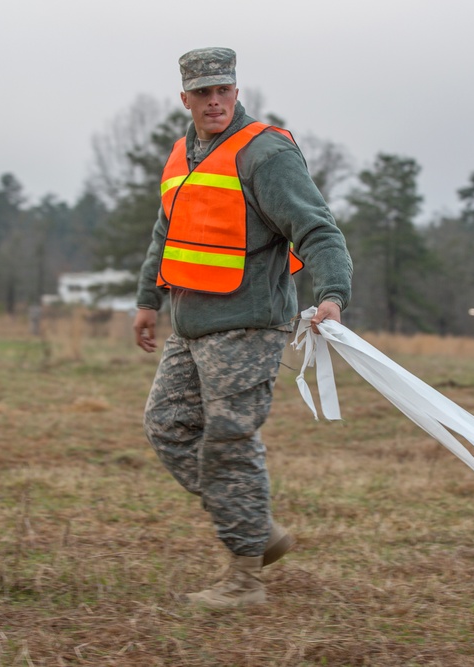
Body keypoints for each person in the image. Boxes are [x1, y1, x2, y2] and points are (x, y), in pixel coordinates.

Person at [131, 47, 352, 608]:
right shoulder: (182, 153)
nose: (214, 101)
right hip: (190, 322)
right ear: (185, 99)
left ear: (236, 90)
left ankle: (245, 579)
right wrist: (147, 299)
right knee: (166, 427)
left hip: (250, 323)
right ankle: (254, 526)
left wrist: (332, 295)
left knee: (229, 441)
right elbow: (164, 232)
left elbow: (318, 229)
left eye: (222, 90)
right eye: (202, 93)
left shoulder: (265, 153)